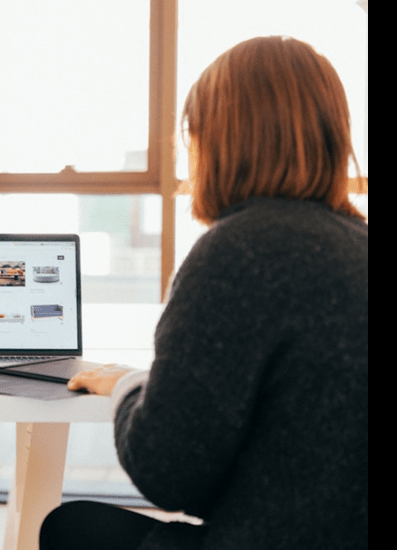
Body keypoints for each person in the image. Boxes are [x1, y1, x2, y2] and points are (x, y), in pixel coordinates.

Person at [40, 36, 367, 550]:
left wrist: (129, 387)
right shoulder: (358, 241)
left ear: (220, 141)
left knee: (68, 528)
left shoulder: (238, 251)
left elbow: (168, 474)